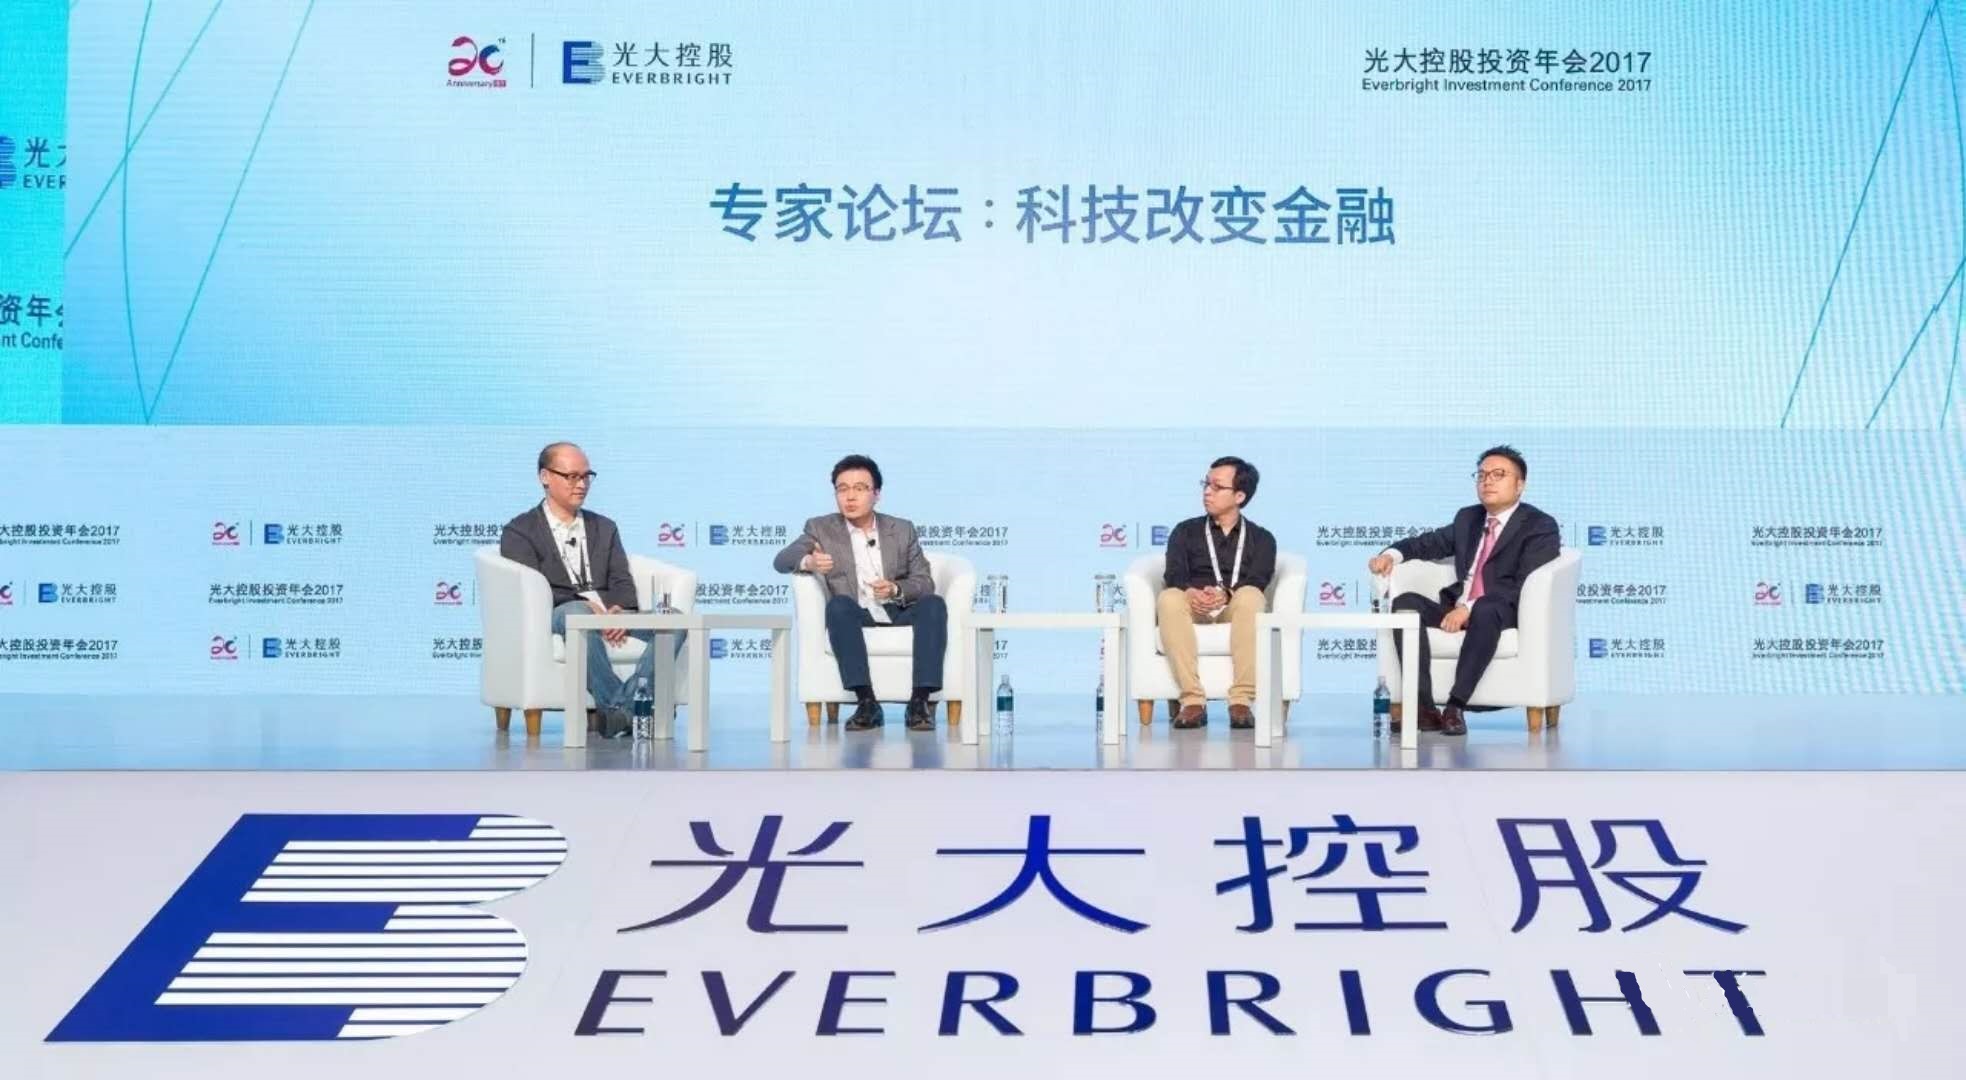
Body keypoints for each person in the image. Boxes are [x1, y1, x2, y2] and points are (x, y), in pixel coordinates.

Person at [1368, 445, 1560, 736]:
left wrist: (1468, 608)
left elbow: (1522, 584)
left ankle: (1455, 706)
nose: (1487, 481)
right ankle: (1425, 709)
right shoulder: (1468, 518)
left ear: (1520, 485)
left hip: (1502, 611)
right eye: (1482, 475)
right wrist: (1390, 556)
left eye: (1498, 474)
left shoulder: (1539, 525)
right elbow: (1427, 543)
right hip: (1457, 606)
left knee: (1485, 607)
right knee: (1406, 604)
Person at [499, 442, 666, 738]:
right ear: (545, 477)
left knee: (674, 620)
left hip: (610, 613)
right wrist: (587, 606)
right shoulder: (521, 531)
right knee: (579, 615)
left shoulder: (605, 527)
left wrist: (619, 610)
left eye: (587, 476)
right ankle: (627, 709)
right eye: (572, 476)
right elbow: (532, 590)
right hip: (560, 611)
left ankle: (621, 712)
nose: (582, 484)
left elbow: (621, 579)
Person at [773, 454, 947, 732]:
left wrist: (895, 589)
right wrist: (809, 562)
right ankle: (866, 703)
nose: (850, 497)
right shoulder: (820, 528)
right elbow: (781, 560)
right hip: (856, 614)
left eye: (859, 488)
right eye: (842, 489)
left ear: (876, 494)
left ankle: (919, 703)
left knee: (933, 604)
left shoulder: (902, 529)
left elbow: (924, 581)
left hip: (897, 610)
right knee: (838, 606)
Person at [1156, 456, 1278, 729]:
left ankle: (1241, 701)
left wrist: (1227, 594)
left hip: (1232, 609)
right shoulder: (1185, 531)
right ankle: (1192, 701)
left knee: (1251, 596)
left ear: (1239, 496)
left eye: (1217, 486)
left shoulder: (1262, 539)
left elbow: (1258, 579)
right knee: (1169, 597)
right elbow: (1173, 574)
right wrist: (1190, 592)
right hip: (1194, 607)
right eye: (1205, 484)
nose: (1207, 492)